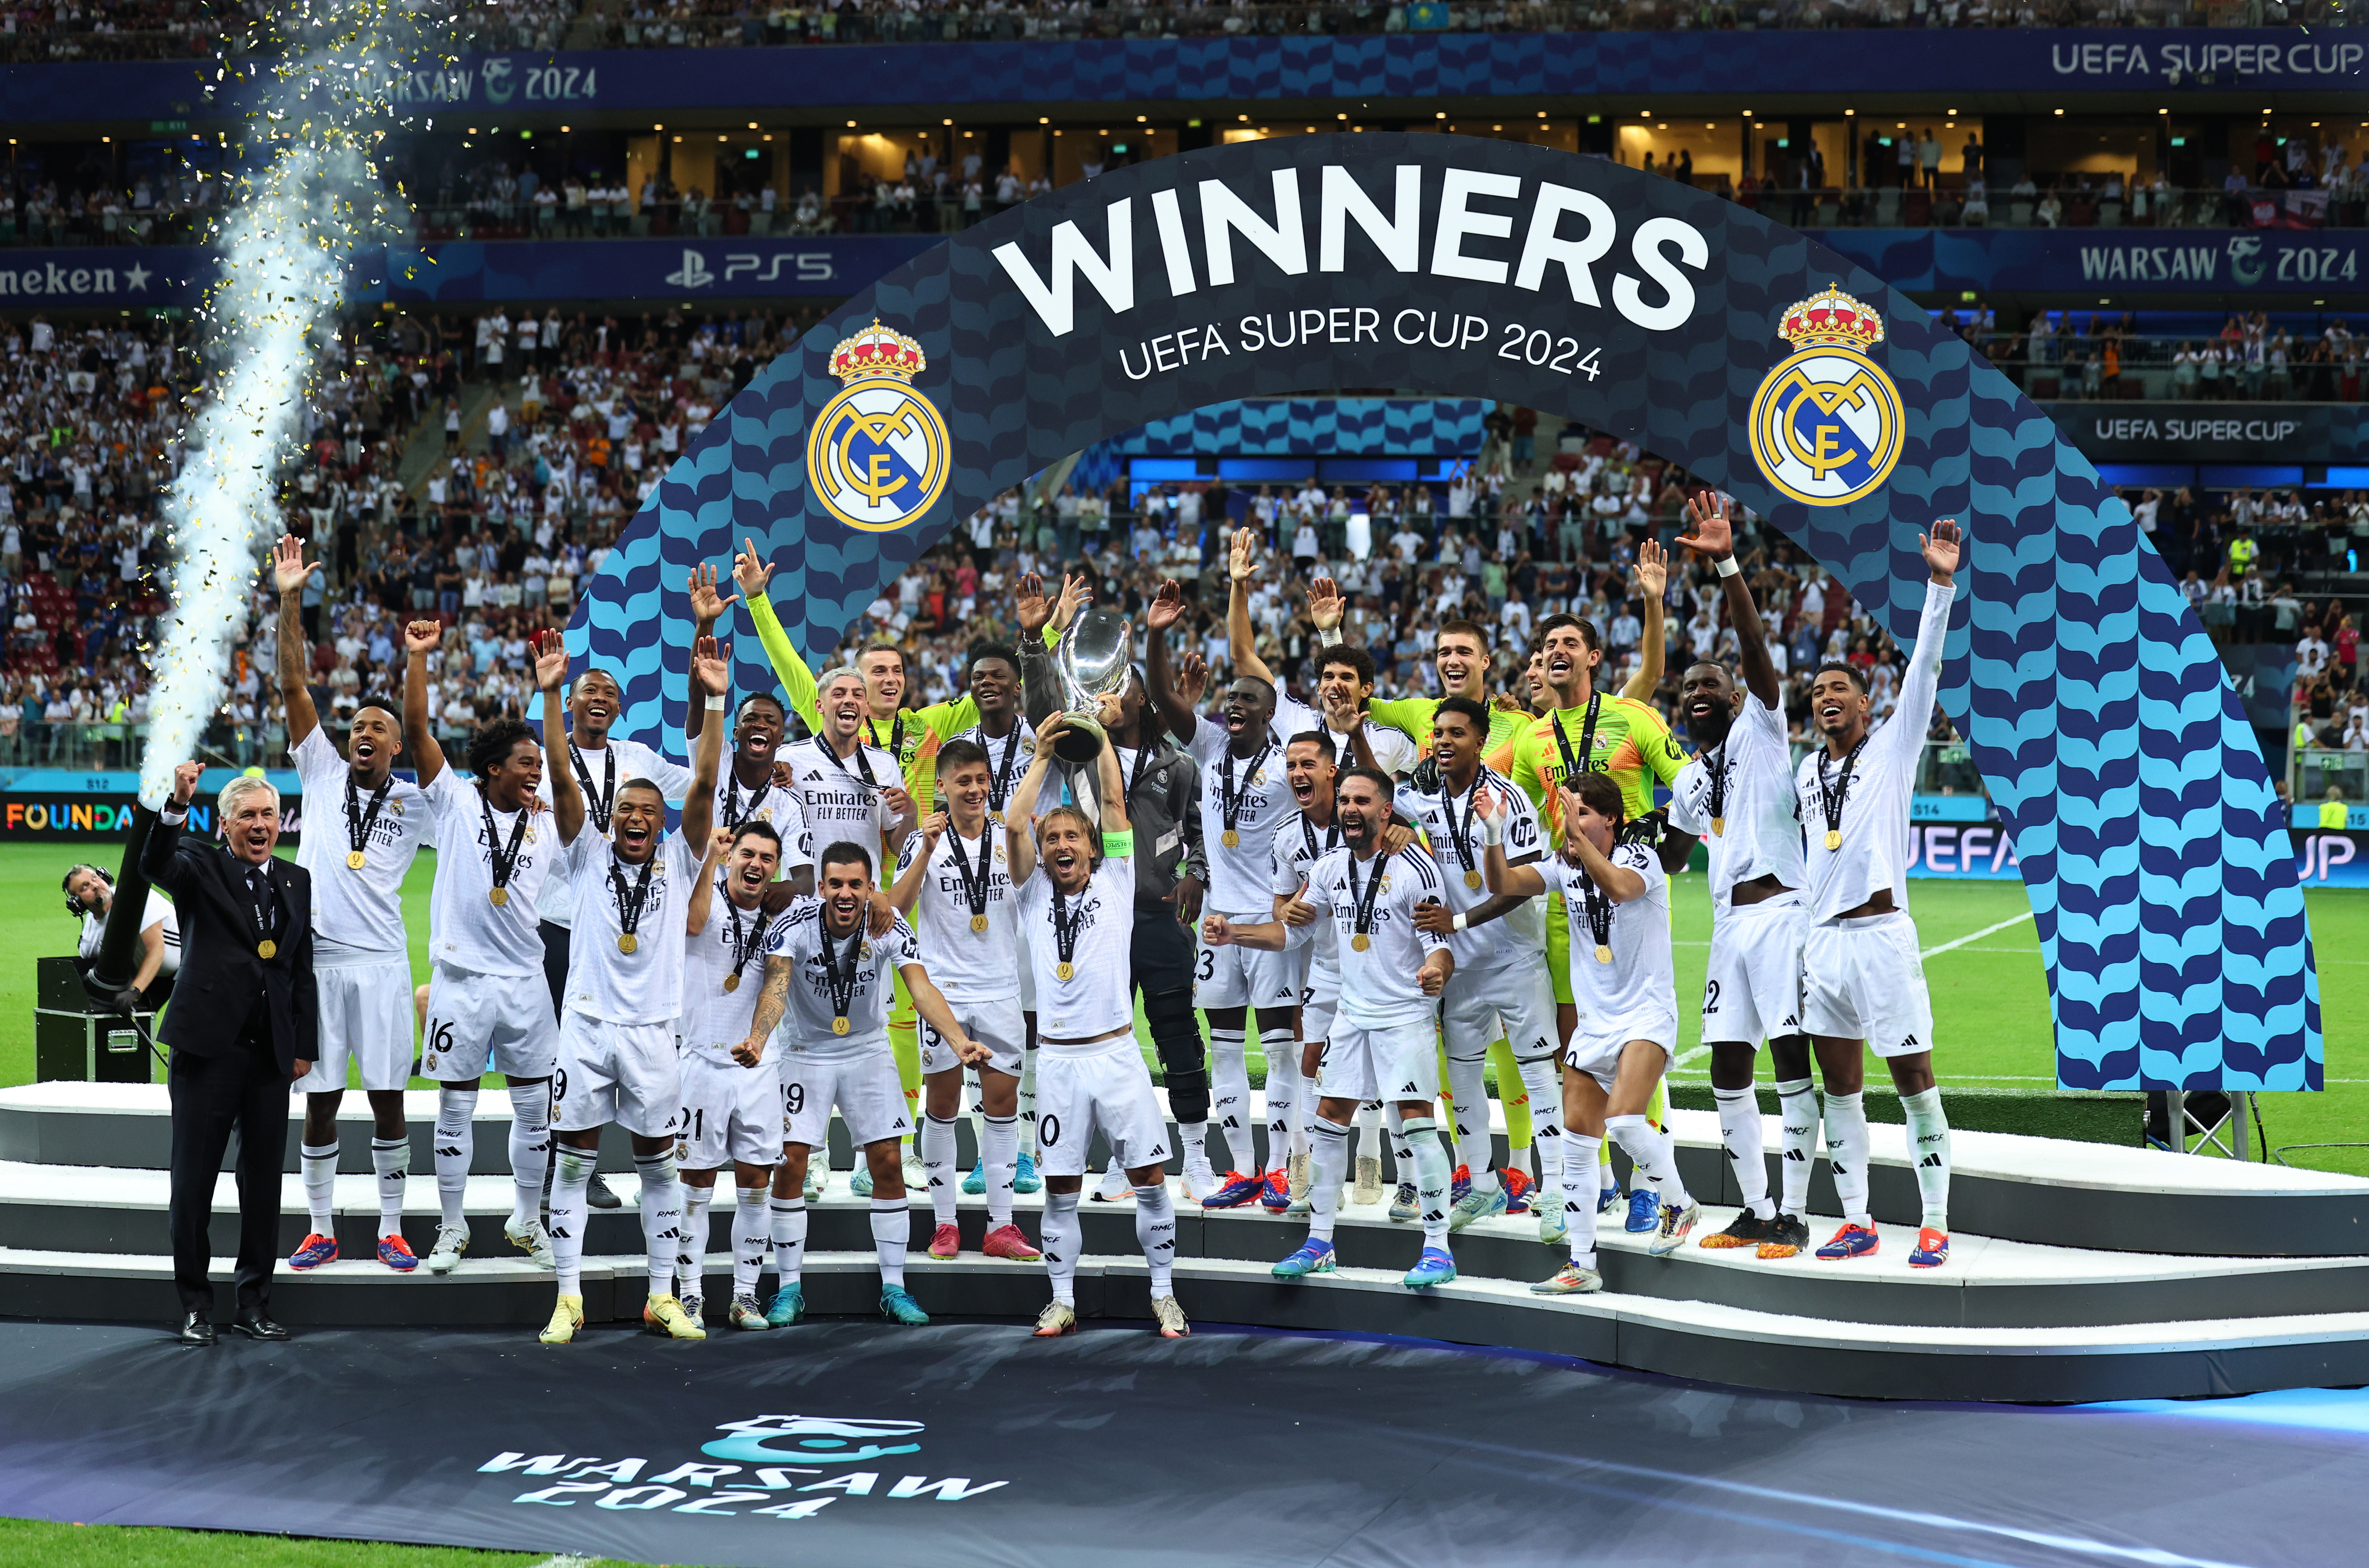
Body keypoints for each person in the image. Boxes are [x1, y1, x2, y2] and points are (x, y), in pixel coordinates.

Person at [735, 537, 985, 1184]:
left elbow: (900, 833)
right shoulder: (800, 755)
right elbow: (790, 668)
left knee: (879, 1014)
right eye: (864, 678)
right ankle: (808, 1147)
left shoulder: (896, 751)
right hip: (805, 910)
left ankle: (882, 1142)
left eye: (890, 676)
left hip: (870, 906)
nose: (877, 686)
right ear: (829, 700)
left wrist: (905, 812)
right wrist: (759, 600)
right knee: (795, 1023)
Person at [538, 630, 727, 1345]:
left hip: (654, 1030)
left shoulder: (681, 858)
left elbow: (705, 787)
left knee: (658, 1167)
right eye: (627, 811)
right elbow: (561, 778)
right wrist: (553, 692)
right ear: (609, 818)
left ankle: (660, 1296)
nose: (639, 819)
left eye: (649, 811)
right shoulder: (584, 852)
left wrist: (713, 702)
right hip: (586, 1025)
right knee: (575, 1159)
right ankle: (567, 1297)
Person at [1207, 767, 1458, 1291]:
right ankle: (1320, 1241)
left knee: (1415, 1123)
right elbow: (1292, 934)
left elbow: (1441, 941)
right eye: (1344, 798)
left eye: (1362, 800)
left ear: (1386, 810)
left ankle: (1438, 1247)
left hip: (1405, 1013)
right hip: (1351, 1012)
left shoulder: (1416, 865)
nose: (1349, 807)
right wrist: (1236, 932)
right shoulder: (1327, 868)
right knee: (1327, 1119)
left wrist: (1437, 970)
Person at [1794, 518, 1964, 1269]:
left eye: (1838, 689)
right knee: (1840, 1088)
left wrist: (1938, 585)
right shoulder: (1806, 774)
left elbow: (1923, 671)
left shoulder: (1893, 750)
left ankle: (1933, 1222)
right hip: (1821, 944)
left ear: (1865, 705)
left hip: (1881, 937)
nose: (1825, 697)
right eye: (1816, 692)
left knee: (1914, 1081)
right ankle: (1857, 1219)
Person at [1014, 573, 1209, 1215]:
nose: (1109, 695)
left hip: (1155, 916)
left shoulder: (1175, 764)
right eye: (1103, 686)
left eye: (1122, 685)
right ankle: (1115, 1163)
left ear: (1139, 694)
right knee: (1100, 1043)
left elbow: (1199, 829)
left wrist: (1196, 871)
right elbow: (1043, 702)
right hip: (1097, 924)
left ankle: (1199, 1156)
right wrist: (1037, 637)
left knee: (1177, 1031)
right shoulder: (1075, 755)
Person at [272, 535, 433, 1275]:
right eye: (357, 726)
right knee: (321, 1101)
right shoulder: (322, 772)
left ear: (397, 746)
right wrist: (289, 598)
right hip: (319, 964)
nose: (363, 732)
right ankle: (320, 1227)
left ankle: (394, 1229)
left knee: (390, 1099)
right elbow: (294, 685)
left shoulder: (416, 802)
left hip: (382, 965)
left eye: (378, 727)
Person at [1475, 769, 1698, 1293]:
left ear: (1612, 820)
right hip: (1595, 1023)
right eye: (1564, 810)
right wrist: (1491, 832)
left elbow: (1618, 888)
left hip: (1646, 1014)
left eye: (1581, 812)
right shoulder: (1562, 864)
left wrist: (1577, 842)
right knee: (1577, 1143)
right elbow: (1503, 883)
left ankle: (1680, 1202)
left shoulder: (1641, 858)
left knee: (1624, 1119)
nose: (1568, 821)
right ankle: (1582, 1262)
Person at [1006, 706, 1189, 1339]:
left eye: (1071, 837)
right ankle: (1061, 1299)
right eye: (1051, 837)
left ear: (1092, 846)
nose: (1061, 846)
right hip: (1056, 1059)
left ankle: (1163, 1293)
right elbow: (1012, 823)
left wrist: (1100, 735)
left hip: (1115, 1055)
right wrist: (1037, 759)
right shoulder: (1029, 892)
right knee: (1059, 1188)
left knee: (1149, 1180)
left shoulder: (1116, 876)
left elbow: (1113, 797)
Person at [1661, 494, 1810, 1260]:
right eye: (1687, 690)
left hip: (1780, 913)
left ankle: (1795, 1211)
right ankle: (1753, 1207)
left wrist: (1725, 564)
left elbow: (1755, 652)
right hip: (1727, 930)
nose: (1696, 695)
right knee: (1726, 1065)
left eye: (1709, 686)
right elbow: (1667, 857)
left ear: (1735, 699)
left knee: (1789, 1057)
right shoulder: (1688, 780)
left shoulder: (1760, 729)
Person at [403, 619, 562, 1277]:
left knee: (535, 1111)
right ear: (494, 767)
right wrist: (418, 659)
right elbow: (417, 732)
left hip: (527, 981)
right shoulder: (456, 805)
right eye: (526, 764)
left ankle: (527, 1218)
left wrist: (548, 692)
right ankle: (450, 1226)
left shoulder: (550, 817)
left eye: (540, 766)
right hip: (461, 980)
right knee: (455, 1107)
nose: (536, 773)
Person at [768, 840, 979, 1329]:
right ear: (820, 887)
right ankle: (788, 1287)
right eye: (836, 884)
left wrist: (958, 1038)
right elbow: (776, 987)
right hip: (805, 1053)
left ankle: (894, 1285)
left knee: (887, 1161)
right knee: (791, 1163)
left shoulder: (887, 924)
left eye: (855, 884)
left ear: (870, 888)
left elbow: (920, 986)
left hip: (866, 1049)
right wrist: (760, 1039)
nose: (845, 893)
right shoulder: (794, 926)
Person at [1146, 573, 1308, 1202]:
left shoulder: (1291, 758)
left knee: (1282, 1050)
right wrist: (1158, 636)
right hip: (1216, 920)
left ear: (1270, 711)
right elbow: (1162, 700)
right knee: (1226, 1049)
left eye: (1248, 697)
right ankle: (1242, 1166)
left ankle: (1282, 1165)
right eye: (1230, 697)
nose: (1234, 704)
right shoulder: (1210, 745)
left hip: (1271, 923)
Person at [145, 763, 315, 1346]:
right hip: (206, 1048)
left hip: (269, 1055)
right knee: (193, 1182)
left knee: (263, 1185)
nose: (260, 824)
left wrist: (304, 1045)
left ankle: (254, 1302)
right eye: (247, 815)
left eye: (268, 814)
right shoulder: (199, 864)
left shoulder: (296, 880)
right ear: (225, 824)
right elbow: (153, 864)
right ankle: (195, 1303)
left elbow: (300, 971)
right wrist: (175, 803)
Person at [533, 629, 697, 1213]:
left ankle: (588, 1169)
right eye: (588, 690)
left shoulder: (638, 759)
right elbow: (543, 780)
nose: (599, 698)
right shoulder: (549, 758)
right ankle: (561, 1169)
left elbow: (704, 781)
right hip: (554, 919)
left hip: (619, 930)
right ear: (571, 701)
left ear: (620, 707)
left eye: (609, 692)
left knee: (612, 1054)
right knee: (567, 1058)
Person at [1399, 695, 1563, 1240]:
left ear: (1480, 740)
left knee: (1539, 1073)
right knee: (1463, 1078)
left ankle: (1558, 1191)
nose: (1444, 741)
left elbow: (1517, 886)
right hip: (1461, 967)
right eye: (1438, 733)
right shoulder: (1425, 797)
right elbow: (1384, 805)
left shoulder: (1508, 798)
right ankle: (1487, 1183)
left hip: (1513, 959)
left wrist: (1460, 920)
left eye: (1457, 733)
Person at [887, 736, 1045, 1263]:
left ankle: (1001, 1224)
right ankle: (945, 1223)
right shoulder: (920, 841)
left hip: (1001, 988)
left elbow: (1030, 880)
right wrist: (928, 848)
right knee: (942, 1106)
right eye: (964, 781)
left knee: (1001, 1109)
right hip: (944, 991)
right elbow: (894, 909)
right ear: (944, 787)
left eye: (982, 779)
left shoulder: (1009, 835)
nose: (975, 789)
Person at [670, 820, 794, 1331]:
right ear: (731, 855)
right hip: (700, 1061)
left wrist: (759, 1040)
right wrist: (709, 863)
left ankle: (745, 1296)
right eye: (748, 853)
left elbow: (777, 980)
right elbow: (693, 924)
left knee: (755, 1183)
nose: (756, 864)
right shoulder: (704, 896)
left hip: (756, 1068)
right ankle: (691, 1294)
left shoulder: (781, 919)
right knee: (695, 1182)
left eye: (768, 857)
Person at [944, 641, 1047, 1196]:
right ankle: (987, 1154)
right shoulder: (960, 747)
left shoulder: (1041, 739)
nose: (987, 683)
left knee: (1027, 1025)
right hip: (972, 896)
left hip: (1028, 895)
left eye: (998, 676)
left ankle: (1025, 1152)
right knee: (972, 1026)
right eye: (979, 675)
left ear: (1016, 686)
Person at [65, 862, 178, 1005]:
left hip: (191, 962)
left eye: (95, 878)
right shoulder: (90, 933)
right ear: (78, 903)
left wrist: (135, 991)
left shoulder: (135, 897)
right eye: (85, 887)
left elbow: (156, 948)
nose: (95, 886)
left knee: (179, 1025)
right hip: (153, 974)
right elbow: (92, 962)